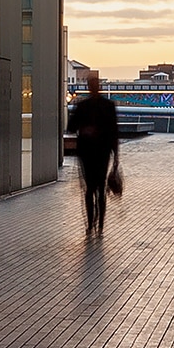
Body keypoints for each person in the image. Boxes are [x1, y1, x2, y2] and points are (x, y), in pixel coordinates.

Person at [67, 75, 119, 233]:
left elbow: (70, 127)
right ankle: (98, 224)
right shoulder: (108, 106)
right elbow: (114, 132)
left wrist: (84, 130)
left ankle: (92, 224)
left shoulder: (82, 106)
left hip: (87, 152)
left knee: (90, 188)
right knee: (98, 187)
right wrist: (116, 156)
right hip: (101, 152)